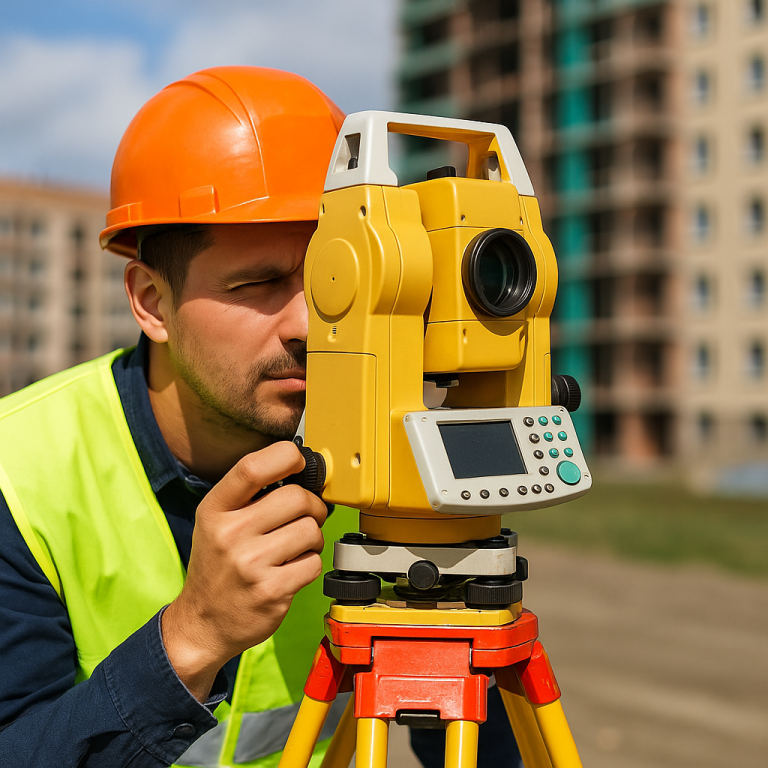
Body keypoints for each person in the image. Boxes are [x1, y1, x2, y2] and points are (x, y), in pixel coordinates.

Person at [0, 65, 521, 768]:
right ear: (152, 302)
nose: (311, 322)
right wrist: (192, 637)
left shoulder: (379, 456)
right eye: (260, 283)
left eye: (337, 281)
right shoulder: (20, 475)